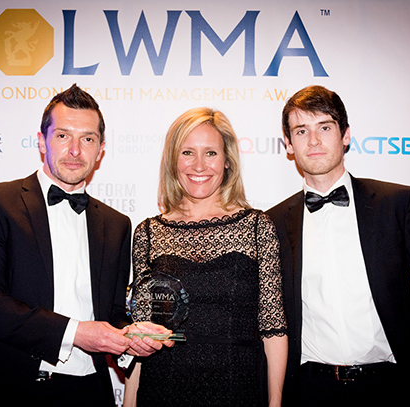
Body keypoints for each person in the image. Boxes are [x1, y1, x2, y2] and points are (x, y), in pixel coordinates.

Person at [0, 84, 170, 407]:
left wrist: (129, 336)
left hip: (87, 393)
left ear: (101, 149)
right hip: (4, 388)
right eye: (63, 136)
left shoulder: (117, 224)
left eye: (88, 139)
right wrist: (75, 332)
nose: (75, 150)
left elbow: (112, 314)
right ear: (41, 141)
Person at [266, 85, 410, 407]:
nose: (313, 141)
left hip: (394, 390)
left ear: (345, 135)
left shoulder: (397, 204)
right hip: (309, 393)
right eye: (301, 131)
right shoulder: (272, 223)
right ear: (288, 143)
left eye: (324, 127)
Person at [123, 107, 288, 407]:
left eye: (210, 153)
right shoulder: (148, 233)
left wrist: (275, 403)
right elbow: (142, 333)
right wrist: (129, 402)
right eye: (187, 152)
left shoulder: (257, 227)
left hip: (237, 389)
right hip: (163, 390)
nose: (199, 165)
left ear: (227, 161)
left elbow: (273, 327)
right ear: (173, 160)